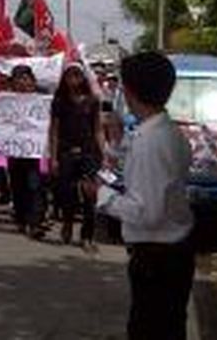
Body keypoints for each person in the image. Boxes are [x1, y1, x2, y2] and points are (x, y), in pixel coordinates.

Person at [83, 52, 194, 340]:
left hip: (157, 258)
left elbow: (146, 213)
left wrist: (102, 196)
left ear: (129, 90)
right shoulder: (166, 132)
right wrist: (116, 144)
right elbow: (139, 166)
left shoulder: (151, 141)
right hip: (171, 254)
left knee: (149, 329)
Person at [48, 63, 104, 252]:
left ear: (83, 77)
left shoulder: (93, 100)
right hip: (66, 153)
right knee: (67, 193)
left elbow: (98, 129)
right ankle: (68, 222)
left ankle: (87, 235)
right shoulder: (59, 101)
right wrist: (53, 157)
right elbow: (54, 131)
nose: (73, 79)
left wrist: (103, 154)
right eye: (69, 75)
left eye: (77, 75)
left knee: (90, 195)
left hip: (88, 153)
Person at [7, 65, 45, 240]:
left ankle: (35, 222)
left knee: (35, 185)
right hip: (14, 150)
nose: (22, 82)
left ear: (33, 81)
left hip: (35, 152)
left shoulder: (43, 99)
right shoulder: (5, 100)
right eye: (18, 79)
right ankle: (21, 217)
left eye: (25, 78)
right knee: (17, 185)